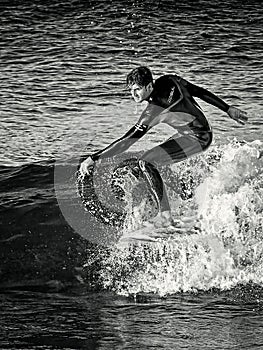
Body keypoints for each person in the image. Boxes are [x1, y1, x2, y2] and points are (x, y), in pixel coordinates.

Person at [79, 66, 248, 225]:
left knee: (146, 162)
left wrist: (94, 157)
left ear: (149, 86)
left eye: (137, 89)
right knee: (154, 162)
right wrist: (227, 109)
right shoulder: (171, 80)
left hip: (198, 138)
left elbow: (126, 141)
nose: (133, 94)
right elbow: (198, 91)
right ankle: (187, 196)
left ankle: (166, 215)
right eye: (130, 89)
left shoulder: (153, 111)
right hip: (199, 132)